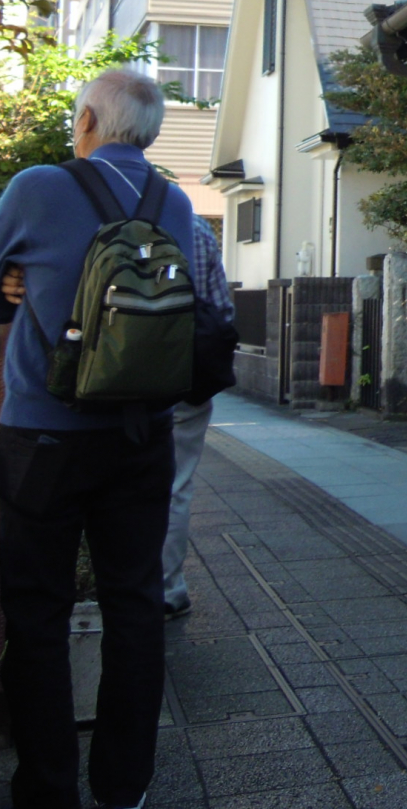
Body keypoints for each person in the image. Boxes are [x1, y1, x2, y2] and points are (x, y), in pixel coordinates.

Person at [0, 69, 196, 809]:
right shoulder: (176, 200)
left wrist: (13, 286)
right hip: (142, 434)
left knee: (37, 612)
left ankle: (48, 788)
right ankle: (124, 785)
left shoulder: (37, 186)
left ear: (90, 119)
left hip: (45, 434)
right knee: (135, 603)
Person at [163, 215, 238, 620]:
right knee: (175, 485)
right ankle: (167, 587)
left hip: (110, 374)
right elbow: (220, 308)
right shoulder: (194, 227)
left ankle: (108, 582)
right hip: (182, 375)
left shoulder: (95, 217)